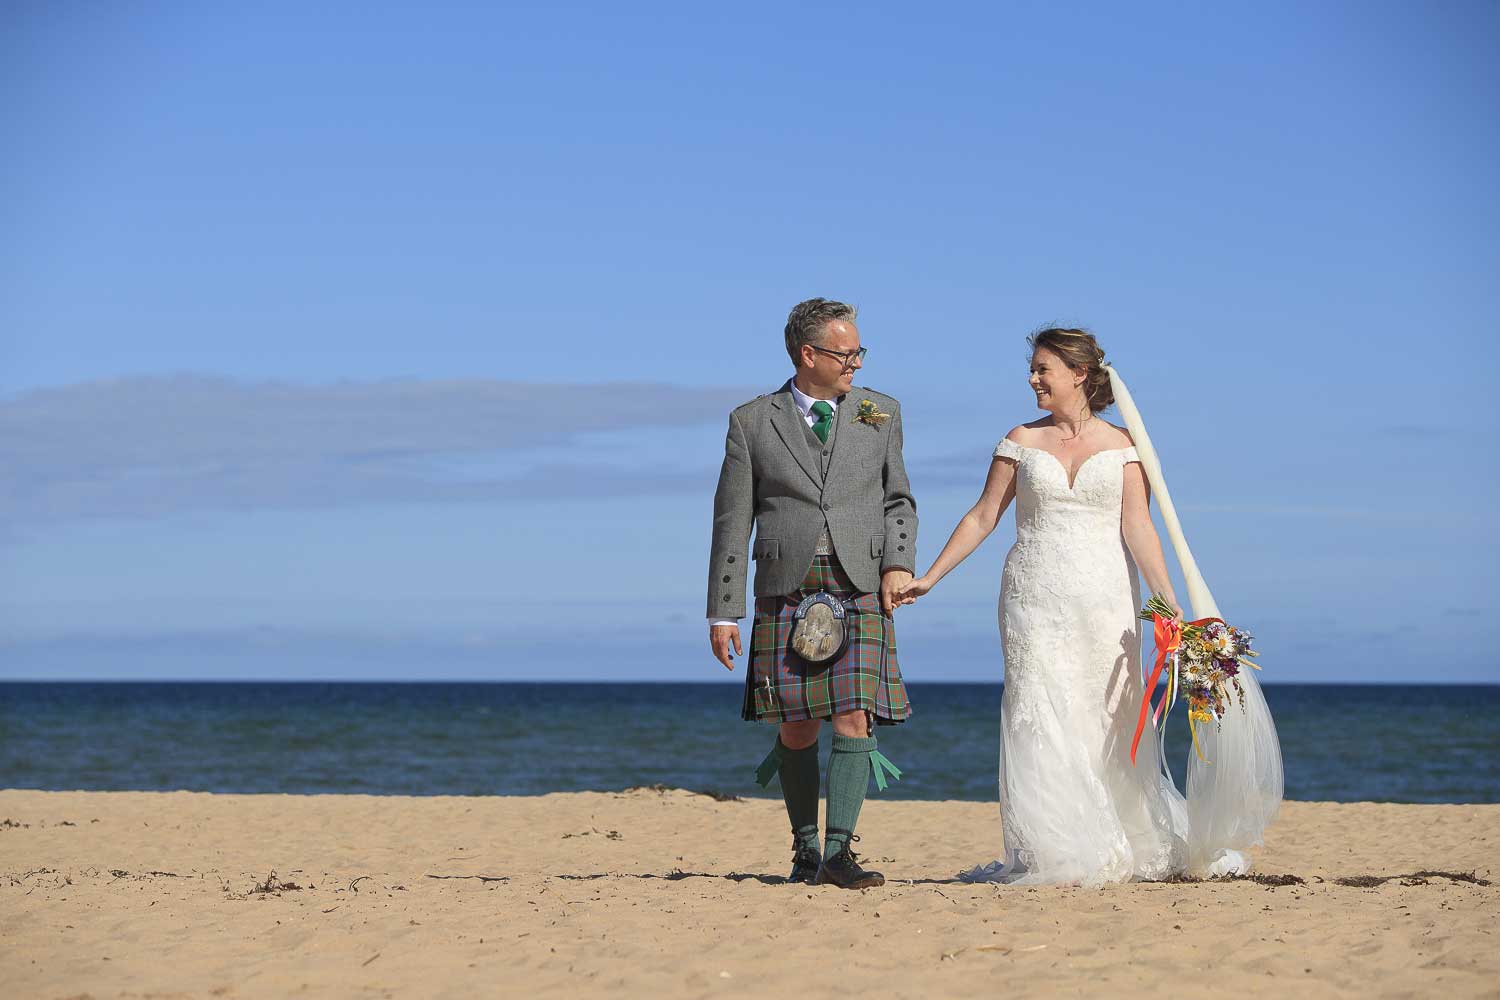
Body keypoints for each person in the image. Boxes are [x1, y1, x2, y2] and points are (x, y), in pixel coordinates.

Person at [897, 327, 1280, 884]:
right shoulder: (1020, 440)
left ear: (1079, 374)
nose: (1033, 379)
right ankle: (1052, 845)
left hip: (1107, 598)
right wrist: (931, 576)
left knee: (1108, 712)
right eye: (1032, 369)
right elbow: (983, 516)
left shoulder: (1123, 445)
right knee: (1038, 708)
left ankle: (1122, 833)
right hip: (1033, 596)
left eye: (1043, 369)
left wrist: (1167, 601)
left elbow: (1138, 525)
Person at [707, 297, 917, 889]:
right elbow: (731, 520)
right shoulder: (752, 421)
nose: (856, 363)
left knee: (854, 715)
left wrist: (898, 564)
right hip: (785, 585)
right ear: (808, 354)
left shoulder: (881, 412)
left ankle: (838, 855)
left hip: (860, 582)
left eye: (859, 352)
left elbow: (899, 501)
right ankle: (805, 850)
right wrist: (724, 610)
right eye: (846, 353)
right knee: (796, 725)